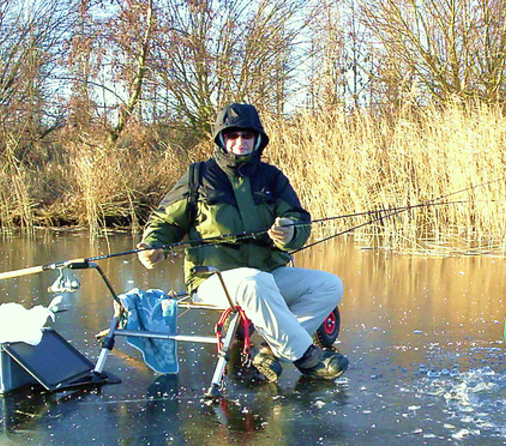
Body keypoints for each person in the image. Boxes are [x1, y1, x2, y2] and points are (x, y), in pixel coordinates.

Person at [137, 103, 348, 381]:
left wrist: (290, 232)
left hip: (268, 274)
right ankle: (307, 357)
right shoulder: (199, 176)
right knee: (252, 282)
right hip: (213, 279)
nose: (240, 142)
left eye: (246, 136)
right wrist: (152, 245)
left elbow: (298, 219)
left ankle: (273, 349)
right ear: (221, 139)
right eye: (232, 135)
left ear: (257, 138)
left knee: (329, 285)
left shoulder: (272, 178)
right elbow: (165, 221)